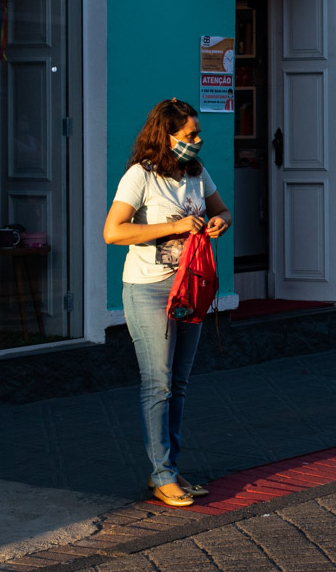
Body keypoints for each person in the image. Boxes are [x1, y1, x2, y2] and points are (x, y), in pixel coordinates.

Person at [104, 98, 231, 507]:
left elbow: (223, 210)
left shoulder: (196, 172)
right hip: (148, 289)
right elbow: (113, 231)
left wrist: (219, 223)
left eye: (197, 134)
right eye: (190, 134)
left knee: (178, 384)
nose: (197, 140)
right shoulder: (139, 177)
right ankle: (161, 474)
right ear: (167, 135)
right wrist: (175, 225)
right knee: (157, 383)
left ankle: (169, 470)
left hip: (189, 289)